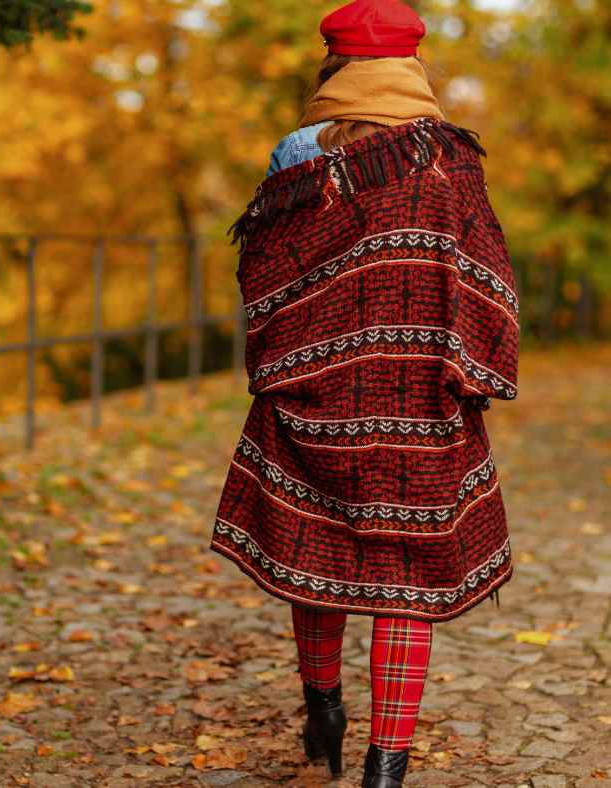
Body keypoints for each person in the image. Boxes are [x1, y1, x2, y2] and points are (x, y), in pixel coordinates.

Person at [208, 1, 520, 786]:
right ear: (413, 66)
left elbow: (264, 272)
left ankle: (325, 709)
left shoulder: (298, 152)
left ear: (333, 65)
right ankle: (388, 766)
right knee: (402, 577)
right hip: (416, 402)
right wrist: (473, 370)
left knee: (318, 547)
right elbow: (486, 273)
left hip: (314, 392)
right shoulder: (453, 159)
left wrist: (282, 359)